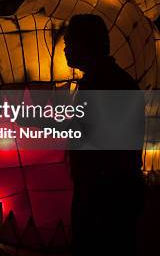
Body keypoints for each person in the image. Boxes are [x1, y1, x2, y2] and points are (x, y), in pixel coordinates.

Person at [64, 14, 144, 256]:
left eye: (70, 42)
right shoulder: (107, 81)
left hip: (104, 198)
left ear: (87, 44)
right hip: (109, 193)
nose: (65, 49)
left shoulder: (103, 85)